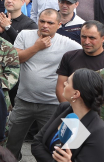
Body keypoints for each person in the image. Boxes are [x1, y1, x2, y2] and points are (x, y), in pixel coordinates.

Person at [7, 9, 82, 159]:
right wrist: (36, 47)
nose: (45, 25)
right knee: (10, 141)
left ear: (59, 25)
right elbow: (15, 59)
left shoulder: (66, 43)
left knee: (50, 146)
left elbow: (85, 52)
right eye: (42, 21)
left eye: (50, 23)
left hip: (52, 105)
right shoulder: (25, 35)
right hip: (23, 101)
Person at [32, 69, 104, 161]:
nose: (64, 83)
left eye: (68, 82)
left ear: (76, 94)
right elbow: (36, 143)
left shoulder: (98, 131)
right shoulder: (64, 108)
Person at [56, 21, 104, 102]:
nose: (87, 42)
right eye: (83, 37)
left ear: (103, 38)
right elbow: (60, 87)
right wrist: (69, 111)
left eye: (92, 38)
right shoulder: (69, 57)